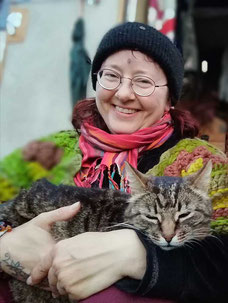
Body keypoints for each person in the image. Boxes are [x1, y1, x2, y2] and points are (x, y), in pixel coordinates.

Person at [0, 22, 227, 303]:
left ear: (170, 98)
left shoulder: (199, 162)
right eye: (111, 76)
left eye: (143, 81)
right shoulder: (52, 149)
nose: (123, 93)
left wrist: (141, 254)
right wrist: (5, 239)